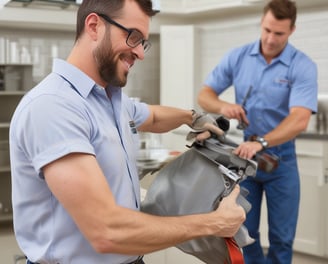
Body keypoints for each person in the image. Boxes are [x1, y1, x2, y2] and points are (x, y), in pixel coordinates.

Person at [9, 1, 246, 263]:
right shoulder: (54, 106)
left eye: (142, 42)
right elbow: (107, 231)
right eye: (132, 36)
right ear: (94, 26)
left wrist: (193, 117)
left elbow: (153, 117)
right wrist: (214, 223)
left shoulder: (110, 100)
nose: (140, 53)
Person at [197, 0, 318, 263]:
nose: (270, 39)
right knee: (244, 233)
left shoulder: (302, 65)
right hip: (245, 156)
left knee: (282, 239)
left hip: (281, 159)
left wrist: (262, 142)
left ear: (292, 30)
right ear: (261, 23)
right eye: (266, 30)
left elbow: (299, 119)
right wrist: (224, 105)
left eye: (279, 33)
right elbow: (205, 95)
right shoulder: (238, 57)